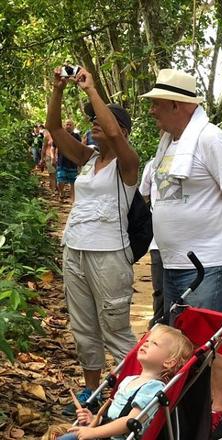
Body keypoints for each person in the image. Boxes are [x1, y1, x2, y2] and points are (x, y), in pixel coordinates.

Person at [140, 68, 222, 440]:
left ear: (177, 104)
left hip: (208, 263)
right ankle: (186, 415)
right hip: (174, 261)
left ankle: (219, 413)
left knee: (210, 340)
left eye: (157, 104)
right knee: (180, 344)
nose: (153, 111)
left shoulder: (209, 138)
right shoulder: (169, 143)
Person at [46, 66, 140, 416]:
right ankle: (92, 393)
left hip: (109, 254)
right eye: (93, 120)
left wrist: (90, 89)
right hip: (76, 249)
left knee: (115, 328)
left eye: (101, 120)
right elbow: (55, 129)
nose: (94, 123)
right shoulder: (88, 159)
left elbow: (114, 132)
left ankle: (133, 390)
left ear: (123, 132)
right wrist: (58, 89)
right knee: (84, 327)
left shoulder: (128, 164)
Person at [59, 325, 194, 440]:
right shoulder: (129, 380)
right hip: (105, 434)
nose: (146, 343)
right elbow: (114, 417)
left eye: (154, 343)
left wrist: (93, 432)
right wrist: (95, 419)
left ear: (169, 362)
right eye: (147, 340)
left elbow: (130, 422)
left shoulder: (153, 388)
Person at [138, 158, 165, 328]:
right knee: (160, 288)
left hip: (190, 243)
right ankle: (158, 326)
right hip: (158, 242)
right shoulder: (153, 164)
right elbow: (143, 196)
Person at [55, 119, 81, 200]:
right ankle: (61, 193)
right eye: (67, 124)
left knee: (73, 182)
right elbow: (55, 147)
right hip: (61, 161)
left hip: (73, 162)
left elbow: (79, 148)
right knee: (60, 180)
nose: (68, 126)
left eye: (70, 125)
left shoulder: (77, 136)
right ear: (64, 126)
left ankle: (73, 199)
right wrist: (54, 157)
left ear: (73, 127)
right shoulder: (60, 135)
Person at [41, 127, 57, 193]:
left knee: (57, 174)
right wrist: (42, 159)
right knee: (52, 174)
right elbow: (44, 148)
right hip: (49, 156)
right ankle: (53, 190)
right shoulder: (47, 136)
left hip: (58, 157)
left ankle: (56, 188)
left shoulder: (59, 136)